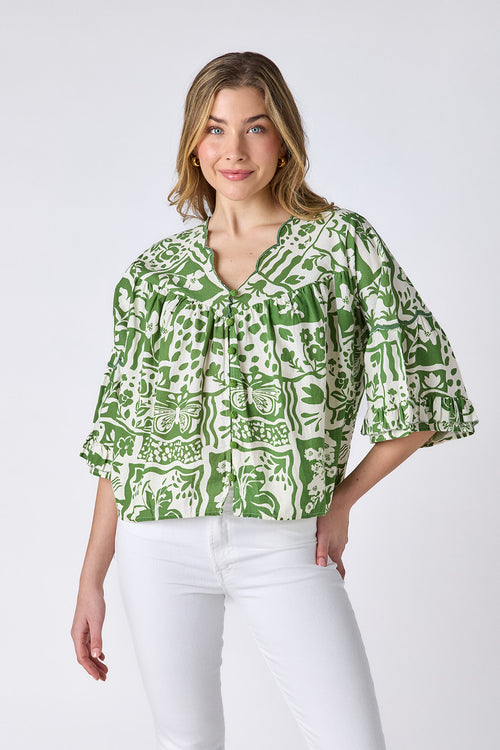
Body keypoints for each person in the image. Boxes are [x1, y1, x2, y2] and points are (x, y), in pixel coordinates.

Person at [71, 51, 479, 750]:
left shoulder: (340, 247)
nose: (234, 150)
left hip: (285, 542)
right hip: (156, 542)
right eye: (215, 129)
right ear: (193, 144)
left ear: (284, 138)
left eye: (255, 128)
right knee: (186, 741)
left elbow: (425, 389)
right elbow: (123, 435)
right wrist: (91, 580)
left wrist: (342, 500)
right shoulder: (155, 274)